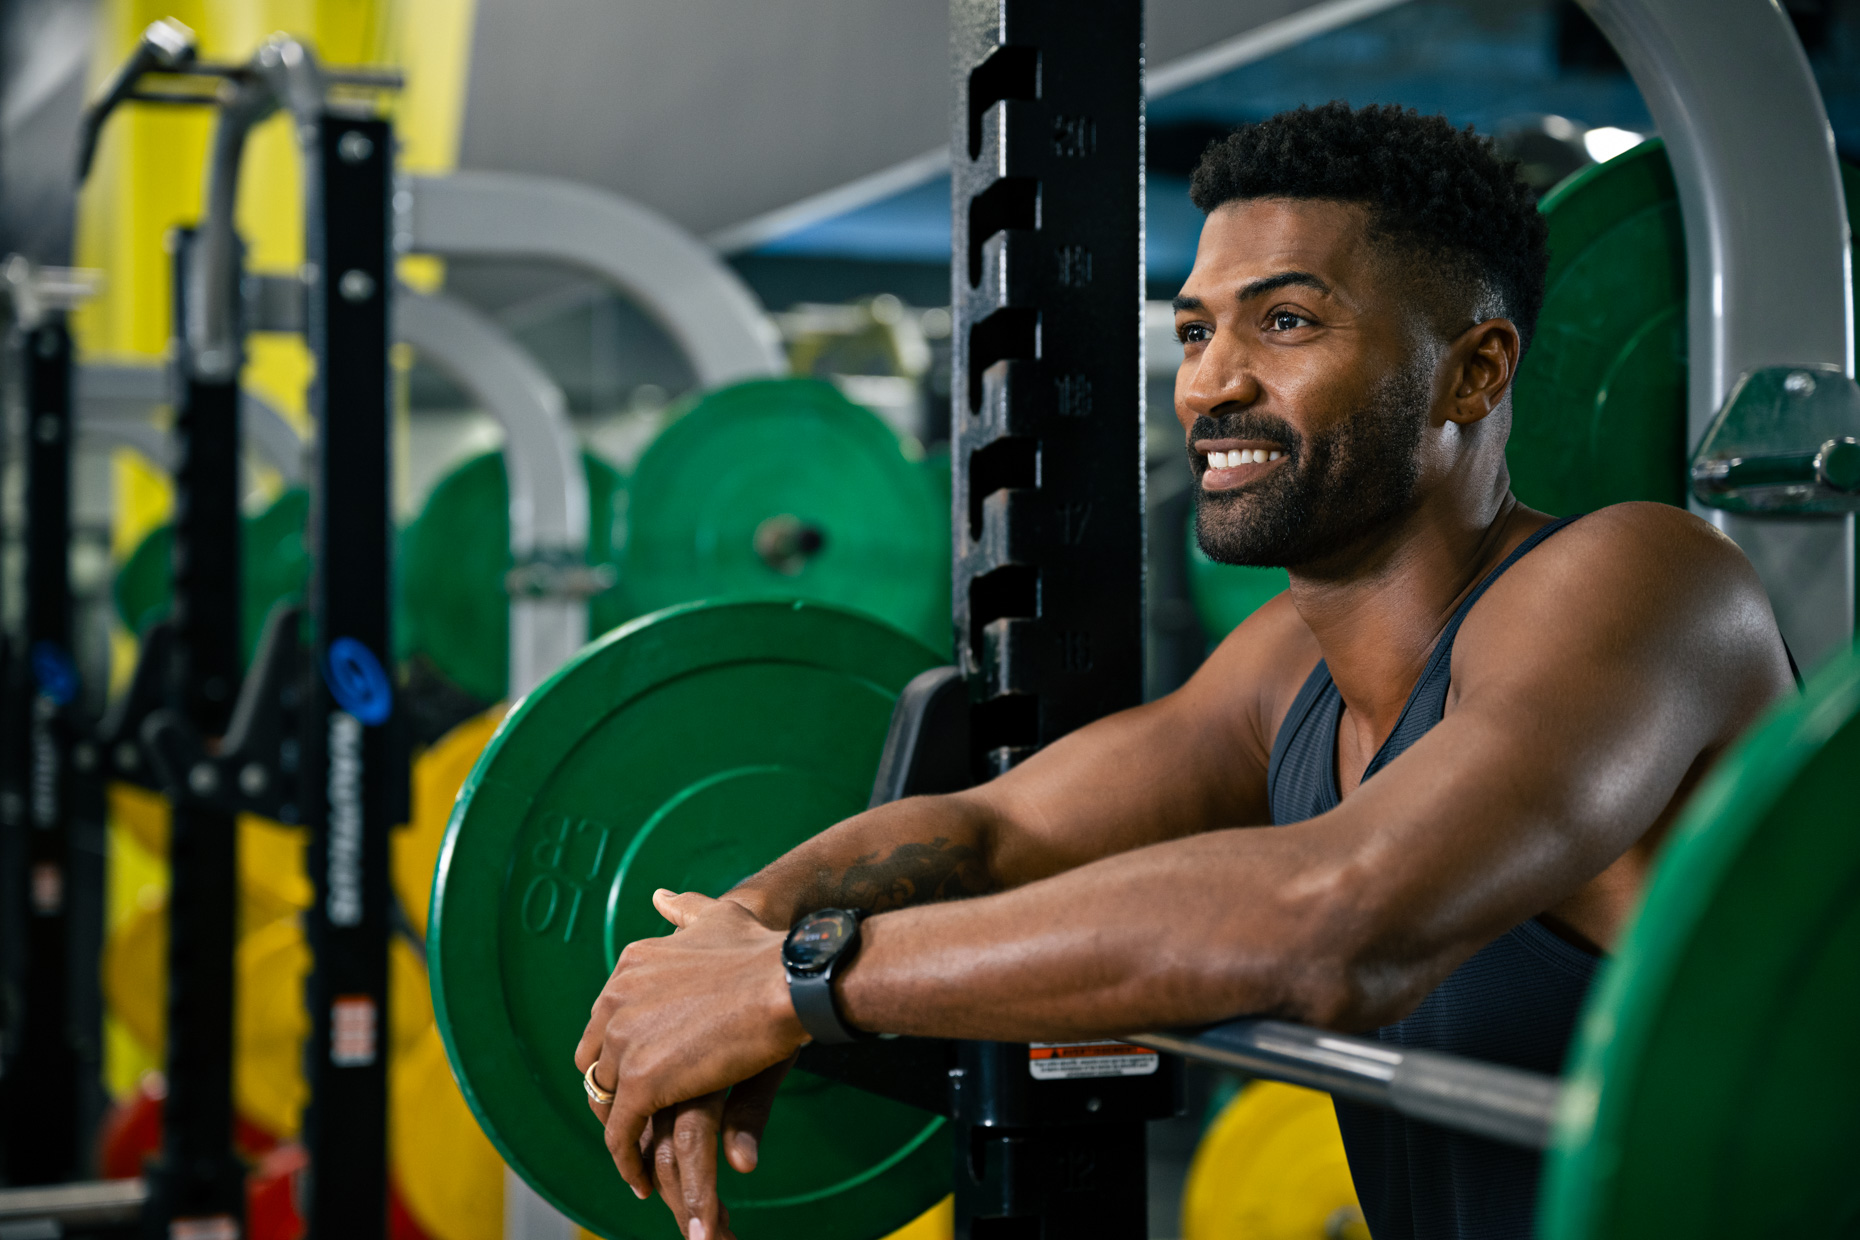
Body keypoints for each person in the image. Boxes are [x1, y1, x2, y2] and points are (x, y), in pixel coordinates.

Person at [574, 102, 1793, 1240]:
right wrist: (734, 936)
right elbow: (995, 833)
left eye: (1289, 321)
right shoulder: (1284, 666)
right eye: (1200, 329)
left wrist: (800, 982)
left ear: (1475, 372)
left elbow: (1335, 921)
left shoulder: (1641, 581)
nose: (1210, 384)